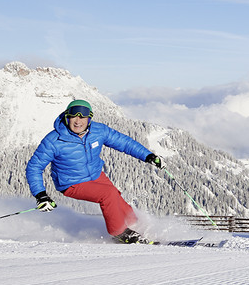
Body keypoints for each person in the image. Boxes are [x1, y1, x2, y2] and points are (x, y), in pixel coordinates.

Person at [26, 99, 165, 243]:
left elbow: (124, 143)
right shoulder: (54, 140)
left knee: (118, 200)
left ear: (89, 119)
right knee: (108, 194)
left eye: (83, 117)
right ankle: (120, 233)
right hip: (71, 183)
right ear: (67, 117)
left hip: (96, 175)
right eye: (74, 116)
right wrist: (40, 195)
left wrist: (148, 155)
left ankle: (136, 225)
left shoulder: (98, 131)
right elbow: (34, 167)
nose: (78, 121)